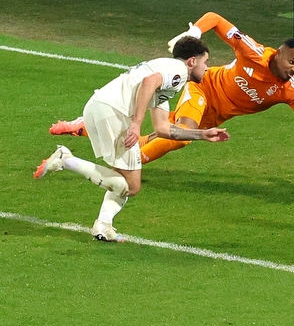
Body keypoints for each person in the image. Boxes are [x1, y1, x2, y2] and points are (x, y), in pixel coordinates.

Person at [50, 12, 294, 180]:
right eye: (292, 62)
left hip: (215, 115)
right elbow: (216, 19)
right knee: (182, 134)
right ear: (279, 53)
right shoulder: (253, 51)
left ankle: (83, 127)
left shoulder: (291, 91)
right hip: (202, 88)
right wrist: (195, 31)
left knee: (163, 134)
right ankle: (129, 166)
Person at [34, 37, 230, 242]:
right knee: (132, 186)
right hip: (113, 113)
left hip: (98, 107)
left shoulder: (167, 76)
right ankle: (66, 160)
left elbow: (163, 129)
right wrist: (136, 123)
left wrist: (202, 134)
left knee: (121, 178)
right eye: (205, 62)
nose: (207, 68)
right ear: (192, 61)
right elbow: (149, 82)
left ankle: (103, 225)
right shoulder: (178, 71)